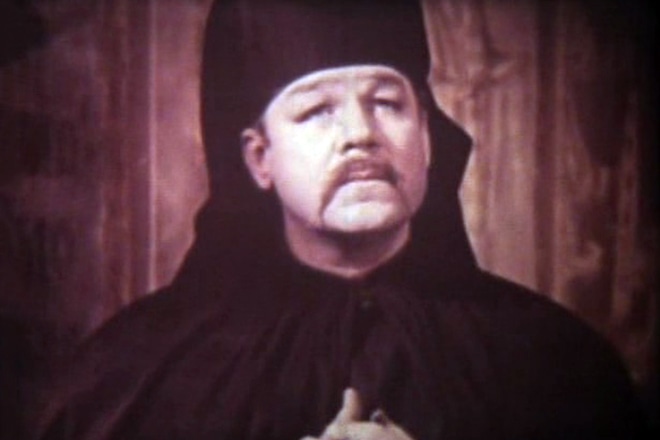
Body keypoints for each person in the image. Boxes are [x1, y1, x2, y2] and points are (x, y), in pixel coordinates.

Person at [35, 1, 648, 439]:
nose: (361, 134)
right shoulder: (131, 375)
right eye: (316, 112)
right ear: (259, 159)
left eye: (386, 103)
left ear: (427, 138)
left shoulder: (555, 363)